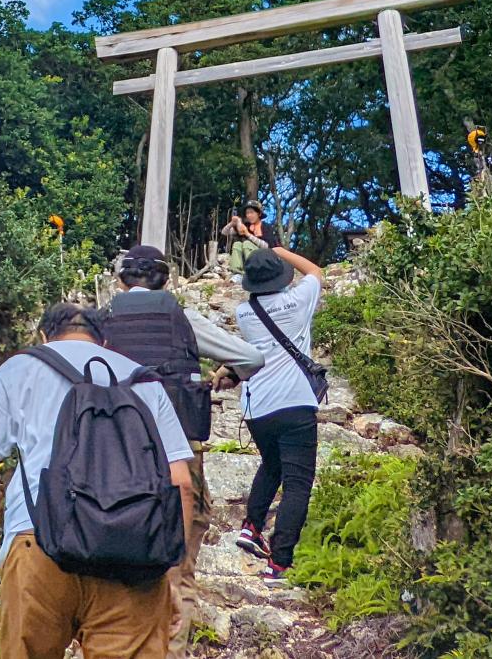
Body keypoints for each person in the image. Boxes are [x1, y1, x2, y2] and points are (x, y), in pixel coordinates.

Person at [0, 303, 197, 659]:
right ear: (105, 342)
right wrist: (170, 573)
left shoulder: (21, 368)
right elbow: (181, 484)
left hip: (39, 545)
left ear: (43, 336)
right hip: (134, 556)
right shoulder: (144, 380)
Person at [101, 245, 265, 656]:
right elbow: (251, 356)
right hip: (180, 454)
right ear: (166, 280)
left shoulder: (100, 323)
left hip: (116, 455)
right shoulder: (182, 319)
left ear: (120, 281)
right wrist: (228, 373)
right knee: (180, 565)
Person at [232, 244, 325, 580]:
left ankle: (251, 527)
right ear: (281, 276)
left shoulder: (244, 311)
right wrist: (281, 251)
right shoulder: (299, 301)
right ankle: (280, 561)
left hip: (257, 407)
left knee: (271, 465)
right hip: (295, 402)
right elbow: (315, 271)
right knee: (298, 483)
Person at [222, 200, 280, 275]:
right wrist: (232, 223)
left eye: (252, 212)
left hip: (264, 260)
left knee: (247, 243)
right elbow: (224, 232)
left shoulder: (266, 227)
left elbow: (267, 246)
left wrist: (248, 234)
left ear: (259, 214)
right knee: (237, 244)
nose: (249, 215)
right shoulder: (246, 226)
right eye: (247, 213)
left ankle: (254, 271)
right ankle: (237, 272)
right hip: (247, 260)